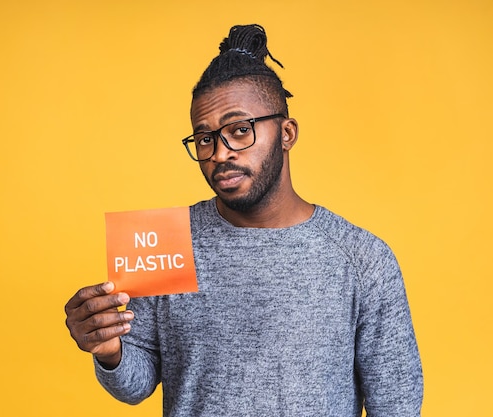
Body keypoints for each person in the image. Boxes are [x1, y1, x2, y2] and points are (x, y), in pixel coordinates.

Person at [65, 24, 423, 416]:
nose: (220, 153)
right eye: (204, 138)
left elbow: (397, 404)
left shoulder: (362, 259)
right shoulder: (165, 242)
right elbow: (137, 384)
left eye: (239, 130)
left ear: (286, 133)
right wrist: (109, 350)